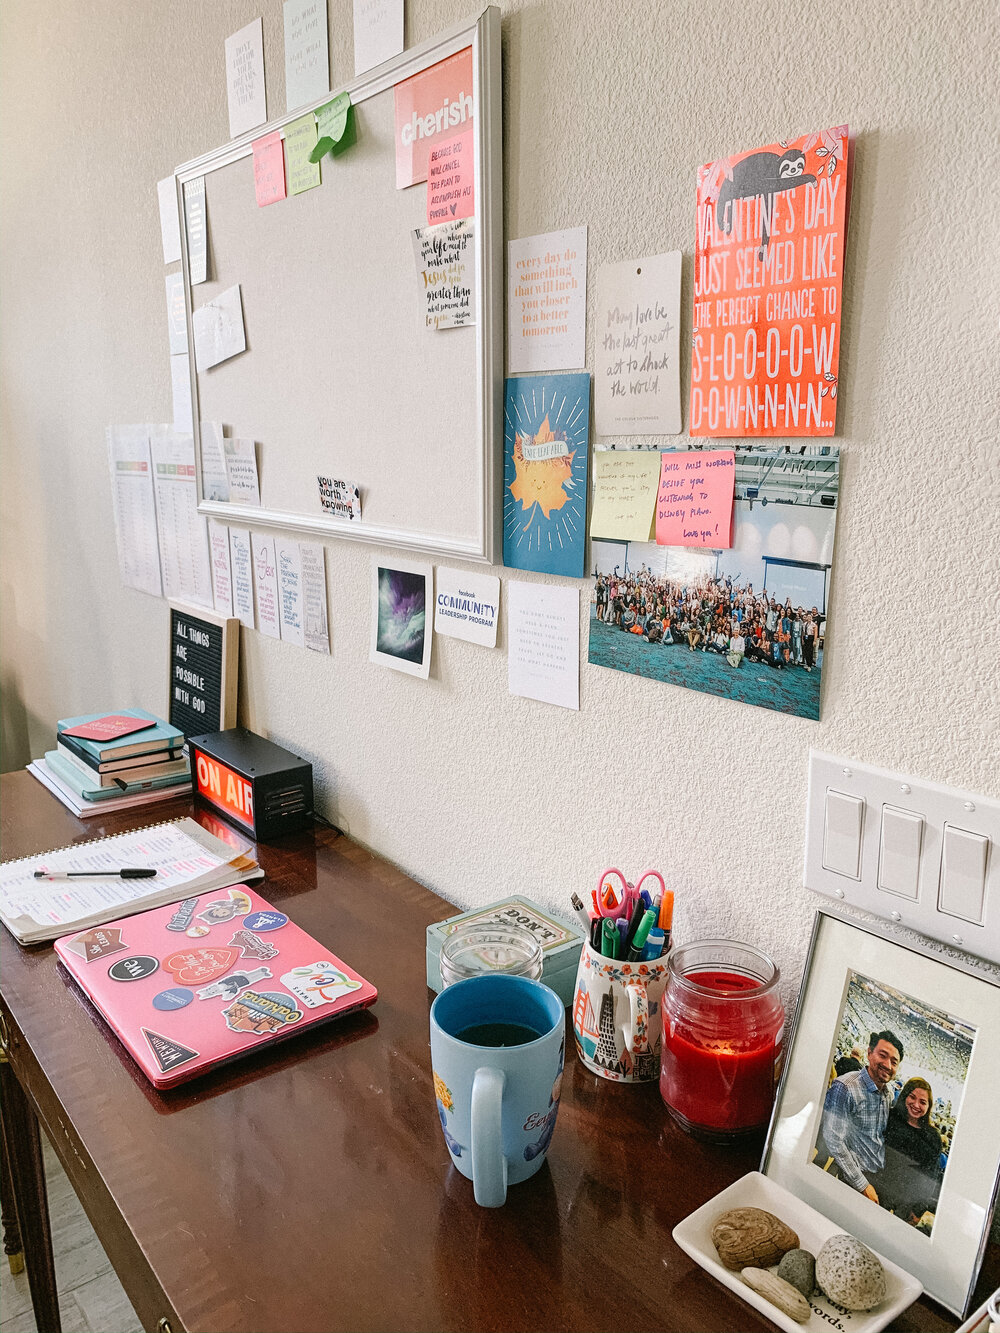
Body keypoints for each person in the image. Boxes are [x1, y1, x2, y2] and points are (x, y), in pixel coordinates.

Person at [819, 1030, 903, 1203]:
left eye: (894, 1062)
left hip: (877, 1173)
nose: (888, 1065)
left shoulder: (888, 1094)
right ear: (869, 1053)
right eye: (883, 1055)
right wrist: (862, 1185)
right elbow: (833, 1139)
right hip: (854, 1178)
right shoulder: (845, 1087)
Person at [874, 1077, 943, 1222]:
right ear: (905, 1096)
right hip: (876, 1190)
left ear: (928, 1106)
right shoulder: (889, 1116)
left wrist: (919, 1210)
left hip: (906, 1205)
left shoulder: (933, 1137)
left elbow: (931, 1176)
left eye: (923, 1102)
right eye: (912, 1097)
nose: (916, 1105)